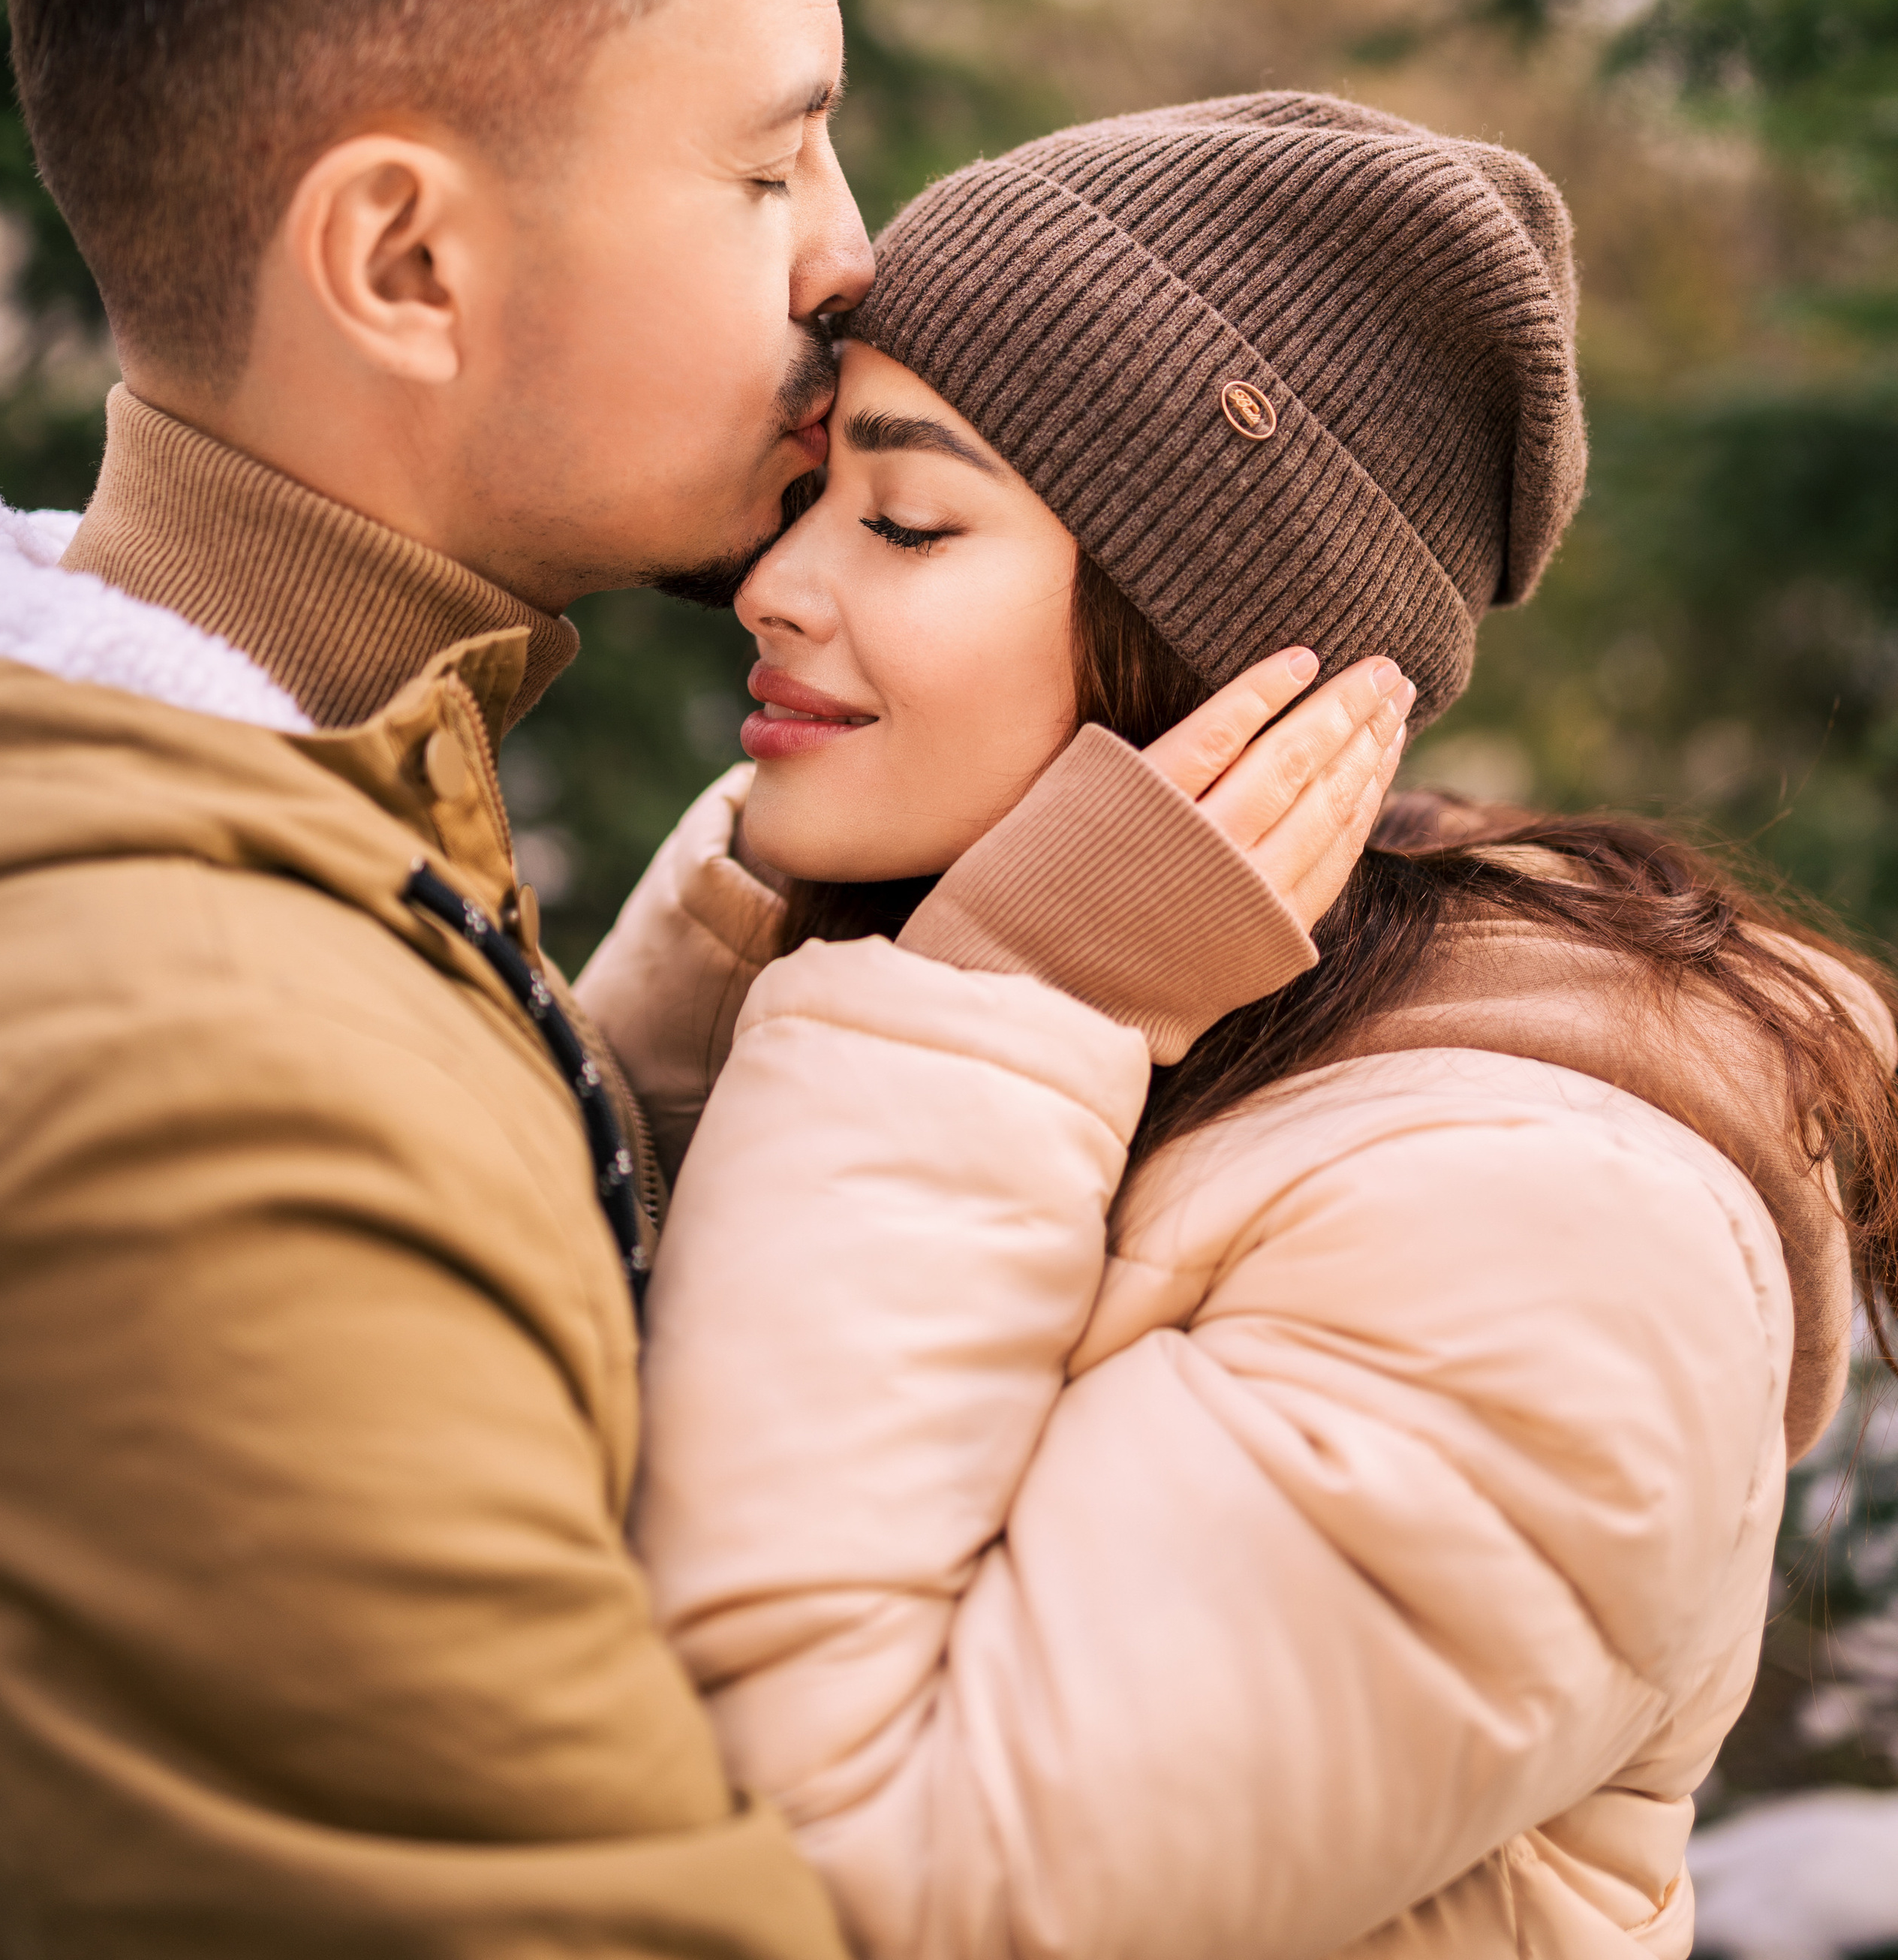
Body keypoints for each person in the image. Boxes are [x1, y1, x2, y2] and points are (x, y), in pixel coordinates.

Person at [0, 0, 1394, 1956]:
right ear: (406, 260)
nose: (856, 262)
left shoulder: (301, 834)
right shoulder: (198, 1080)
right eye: (772, 166)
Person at [582, 95, 1898, 1960]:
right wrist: (746, 968)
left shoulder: (1551, 1244)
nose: (777, 582)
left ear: (1206, 648)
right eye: (808, 500)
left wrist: (1005, 998)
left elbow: (853, 1876)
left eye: (904, 517)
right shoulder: (928, 991)